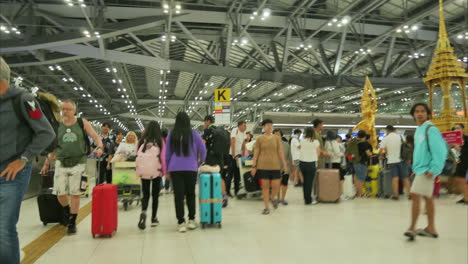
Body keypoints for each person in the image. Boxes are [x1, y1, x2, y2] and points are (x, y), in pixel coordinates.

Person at [0, 57, 56, 264]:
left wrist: (23, 159)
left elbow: (46, 133)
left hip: (12, 174)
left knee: (3, 229)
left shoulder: (23, 100)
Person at [41, 99, 103, 234]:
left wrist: (100, 146)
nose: (65, 111)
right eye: (63, 109)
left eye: (68, 109)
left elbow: (95, 136)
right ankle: (67, 212)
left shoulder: (82, 123)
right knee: (60, 193)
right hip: (61, 162)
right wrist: (46, 163)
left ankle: (72, 222)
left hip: (79, 161)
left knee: (75, 193)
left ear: (74, 110)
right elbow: (54, 147)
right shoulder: (58, 126)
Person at [404, 103, 448, 240]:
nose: (420, 114)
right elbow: (420, 152)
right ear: (413, 114)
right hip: (420, 170)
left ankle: (411, 228)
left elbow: (441, 151)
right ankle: (431, 228)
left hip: (427, 171)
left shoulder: (430, 129)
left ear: (428, 114)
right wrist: (415, 169)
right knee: (428, 198)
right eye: (417, 111)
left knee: (415, 196)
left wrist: (434, 169)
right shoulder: (419, 130)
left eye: (422, 111)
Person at [165, 112, 206, 232]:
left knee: (178, 196)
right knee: (190, 194)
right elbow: (203, 150)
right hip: (191, 168)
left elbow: (167, 154)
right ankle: (191, 220)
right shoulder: (194, 134)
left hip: (175, 168)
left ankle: (180, 222)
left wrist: (167, 169)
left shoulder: (172, 134)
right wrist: (199, 162)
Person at [251, 119, 287, 214]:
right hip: (262, 166)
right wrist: (254, 166)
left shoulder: (276, 138)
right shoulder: (259, 138)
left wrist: (284, 164)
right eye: (267, 125)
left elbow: (280, 151)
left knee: (276, 186)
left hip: (275, 166)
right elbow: (256, 153)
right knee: (265, 188)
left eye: (271, 125)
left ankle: (272, 198)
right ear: (263, 127)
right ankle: (266, 207)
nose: (269, 126)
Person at [136, 121, 166, 229]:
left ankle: (143, 212)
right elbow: (163, 158)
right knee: (155, 195)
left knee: (146, 194)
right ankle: (154, 218)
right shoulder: (160, 141)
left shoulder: (141, 141)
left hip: (144, 171)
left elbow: (137, 154)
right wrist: (164, 171)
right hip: (156, 172)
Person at [202, 115, 229, 208]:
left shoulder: (208, 130)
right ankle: (224, 196)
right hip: (220, 157)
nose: (204, 124)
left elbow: (203, 144)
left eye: (204, 122)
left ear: (208, 121)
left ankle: (212, 197)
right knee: (220, 177)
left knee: (210, 176)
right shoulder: (219, 130)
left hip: (211, 157)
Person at [379, 125, 411, 200]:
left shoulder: (386, 138)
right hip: (402, 160)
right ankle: (410, 195)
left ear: (387, 131)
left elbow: (381, 149)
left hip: (392, 161)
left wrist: (381, 156)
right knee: (405, 178)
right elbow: (406, 147)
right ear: (394, 130)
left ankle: (396, 195)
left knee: (395, 178)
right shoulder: (401, 137)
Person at [299, 127, 329, 205]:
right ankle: (308, 200)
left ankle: (306, 198)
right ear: (313, 133)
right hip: (311, 163)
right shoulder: (315, 142)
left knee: (305, 182)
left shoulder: (301, 141)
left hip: (302, 163)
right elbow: (318, 153)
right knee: (309, 182)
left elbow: (300, 150)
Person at [273, 129, 292, 205]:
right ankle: (277, 198)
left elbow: (290, 156)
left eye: (278, 135)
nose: (277, 136)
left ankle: (282, 199)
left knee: (284, 183)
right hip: (275, 167)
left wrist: (292, 167)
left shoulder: (286, 144)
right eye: (275, 135)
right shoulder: (271, 144)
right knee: (277, 184)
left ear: (281, 135)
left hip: (285, 167)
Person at [228, 121, 247, 197]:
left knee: (237, 175)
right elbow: (232, 142)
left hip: (239, 156)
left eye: (245, 126)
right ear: (239, 126)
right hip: (232, 156)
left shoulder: (244, 133)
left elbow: (243, 144)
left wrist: (242, 154)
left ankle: (237, 191)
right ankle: (227, 191)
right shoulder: (235, 130)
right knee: (230, 174)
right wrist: (233, 154)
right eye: (243, 125)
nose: (245, 127)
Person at [324, 130, 345, 196]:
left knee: (330, 178)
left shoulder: (326, 142)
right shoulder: (334, 142)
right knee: (341, 177)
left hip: (328, 162)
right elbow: (337, 152)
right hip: (335, 162)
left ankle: (331, 191)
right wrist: (342, 154)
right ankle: (340, 192)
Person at [354, 130, 373, 198]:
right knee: (361, 178)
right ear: (364, 136)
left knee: (356, 177)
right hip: (362, 162)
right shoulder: (365, 144)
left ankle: (357, 192)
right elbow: (368, 153)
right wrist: (372, 154)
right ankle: (360, 193)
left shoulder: (355, 142)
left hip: (355, 161)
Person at [452, 124, 468, 204]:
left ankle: (466, 198)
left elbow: (465, 152)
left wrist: (459, 149)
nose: (456, 130)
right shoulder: (453, 140)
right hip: (458, 161)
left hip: (465, 161)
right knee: (458, 179)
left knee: (461, 179)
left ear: (463, 129)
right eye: (455, 128)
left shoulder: (466, 138)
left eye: (458, 128)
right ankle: (465, 196)